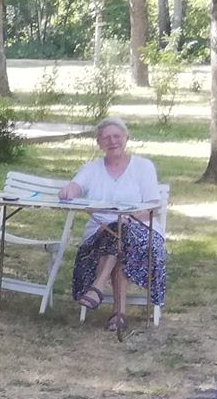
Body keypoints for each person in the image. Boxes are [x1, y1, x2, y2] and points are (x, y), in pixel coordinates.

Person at [59, 117, 166, 336]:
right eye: (106, 137)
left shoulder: (143, 166)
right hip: (100, 233)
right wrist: (70, 189)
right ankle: (118, 314)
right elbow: (76, 186)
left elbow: (155, 206)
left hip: (141, 230)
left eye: (117, 136)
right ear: (99, 143)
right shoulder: (91, 168)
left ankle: (98, 288)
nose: (112, 141)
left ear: (126, 138)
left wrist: (131, 217)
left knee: (122, 233)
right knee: (117, 237)